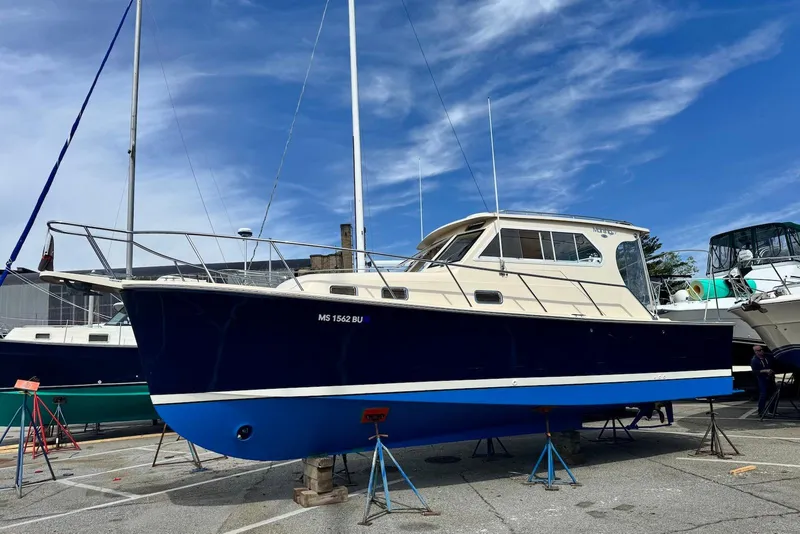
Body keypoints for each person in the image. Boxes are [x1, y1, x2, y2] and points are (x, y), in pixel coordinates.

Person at [751, 345, 776, 416]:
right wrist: (765, 371)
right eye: (759, 350)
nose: (762, 351)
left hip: (770, 377)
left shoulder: (767, 356)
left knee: (773, 394)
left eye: (762, 349)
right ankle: (761, 411)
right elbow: (755, 372)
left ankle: (771, 410)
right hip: (762, 378)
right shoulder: (754, 360)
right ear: (756, 352)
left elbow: (774, 362)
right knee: (763, 394)